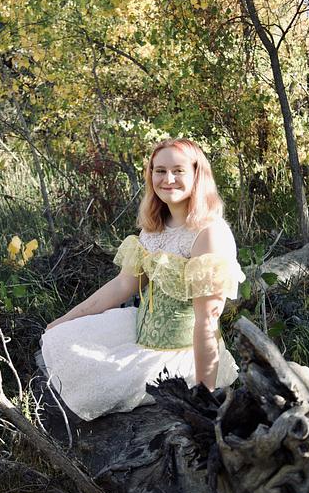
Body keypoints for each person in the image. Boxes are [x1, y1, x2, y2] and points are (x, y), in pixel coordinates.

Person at [40, 138, 244, 421]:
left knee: (98, 385)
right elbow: (123, 285)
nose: (168, 179)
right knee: (61, 337)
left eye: (178, 170)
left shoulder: (209, 233)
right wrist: (65, 319)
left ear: (197, 174)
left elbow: (207, 320)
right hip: (140, 331)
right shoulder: (155, 227)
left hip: (182, 352)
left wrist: (204, 396)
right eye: (160, 171)